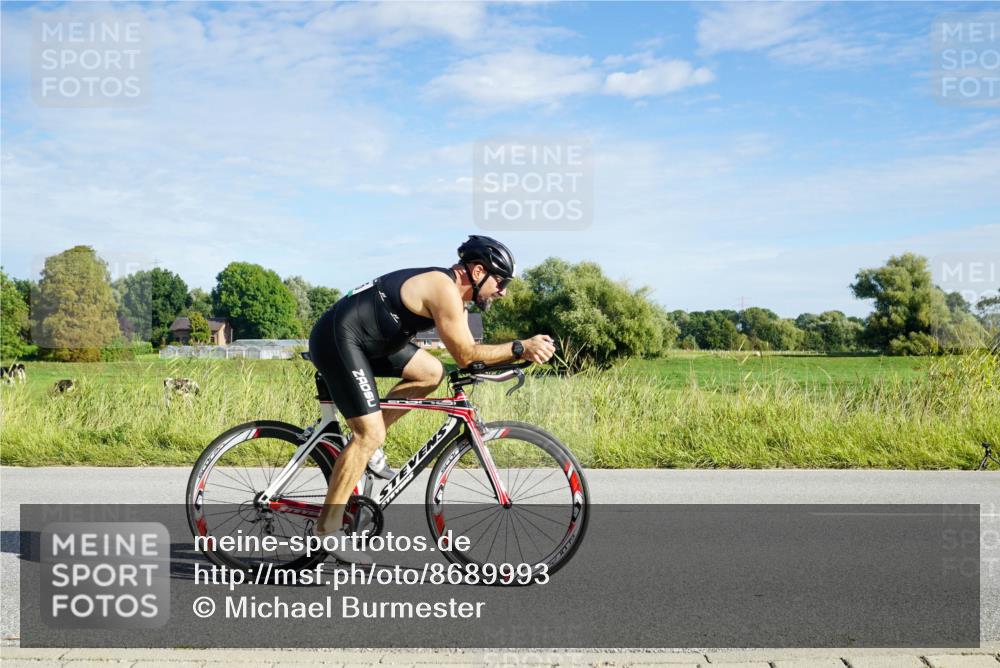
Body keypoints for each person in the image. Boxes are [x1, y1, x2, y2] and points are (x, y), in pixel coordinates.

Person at [307, 235, 556, 562]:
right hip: (339, 338)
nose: (504, 290)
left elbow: (473, 358)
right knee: (368, 434)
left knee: (430, 372)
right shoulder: (443, 289)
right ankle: (328, 528)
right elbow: (467, 355)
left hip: (371, 340)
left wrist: (516, 357)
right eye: (501, 280)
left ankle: (366, 452)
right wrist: (520, 346)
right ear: (478, 271)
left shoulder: (455, 296)